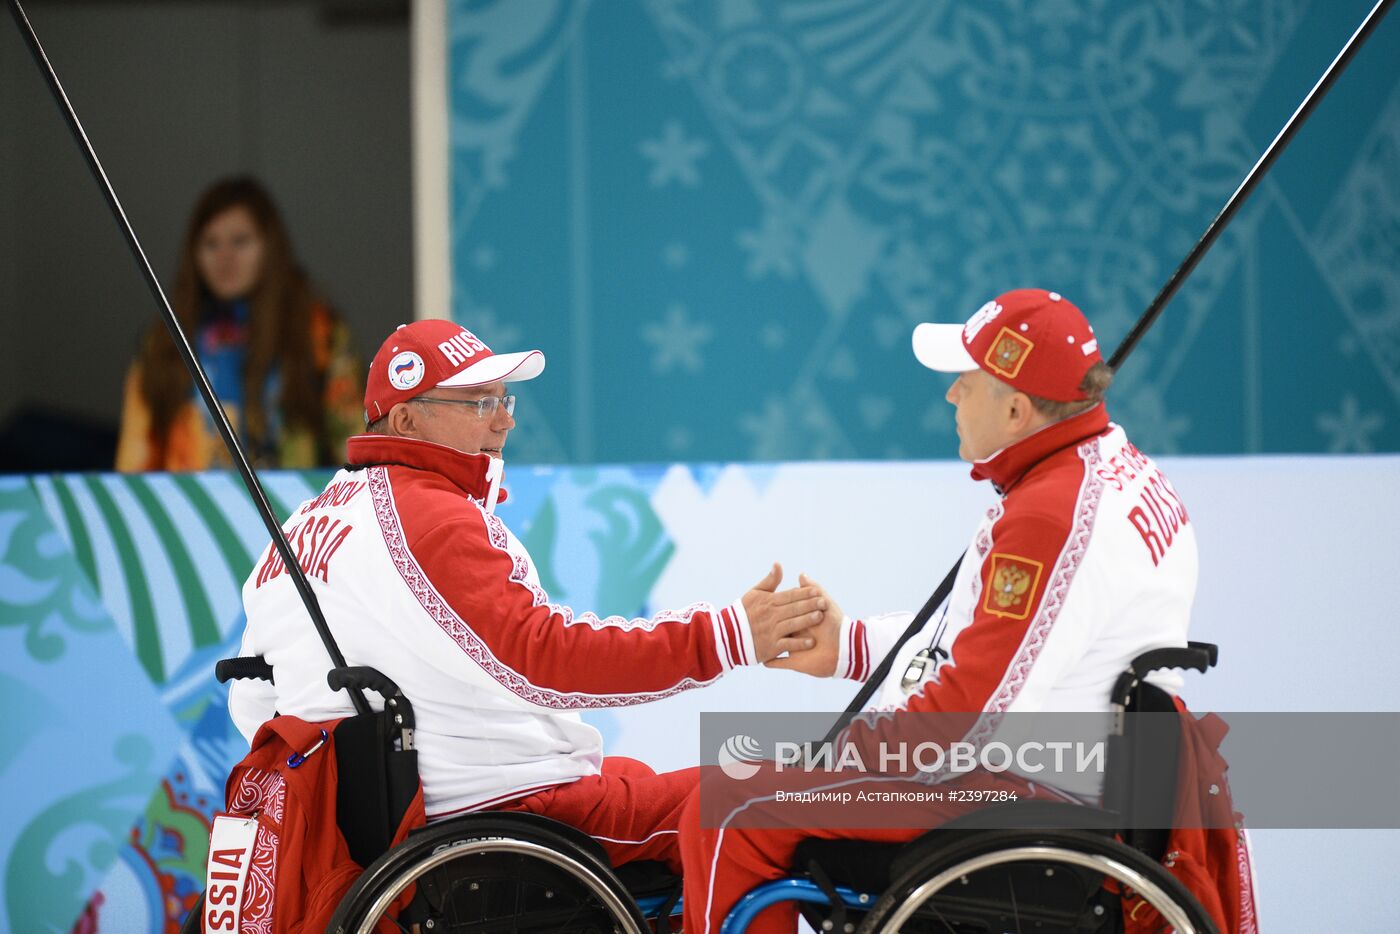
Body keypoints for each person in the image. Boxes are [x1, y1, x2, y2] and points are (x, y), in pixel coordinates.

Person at [677, 288, 1201, 933]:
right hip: (1065, 774)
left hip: (1023, 790)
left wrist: (830, 756)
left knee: (727, 806)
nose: (952, 394)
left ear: (1015, 409)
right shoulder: (1113, 468)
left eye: (966, 382)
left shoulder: (1050, 516)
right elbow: (1002, 649)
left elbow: (964, 721)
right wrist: (854, 646)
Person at [227, 318, 828, 876]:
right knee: (768, 796)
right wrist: (728, 637)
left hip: (414, 833)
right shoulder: (433, 518)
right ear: (406, 421)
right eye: (478, 403)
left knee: (645, 776)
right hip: (506, 819)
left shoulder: (296, 530)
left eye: (503, 400)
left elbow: (255, 704)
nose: (504, 422)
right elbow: (546, 659)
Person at [116, 176, 362, 471]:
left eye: (240, 241)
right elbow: (134, 462)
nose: (225, 257)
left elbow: (355, 444)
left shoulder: (319, 332)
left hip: (296, 499)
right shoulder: (164, 339)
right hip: (187, 499)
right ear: (193, 253)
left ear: (270, 246)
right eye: (211, 243)